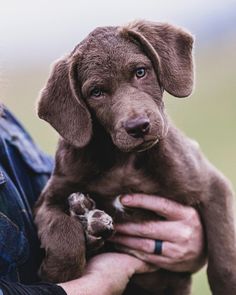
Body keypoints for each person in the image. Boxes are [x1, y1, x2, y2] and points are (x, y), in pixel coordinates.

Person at [0, 104, 205, 295]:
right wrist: (97, 283)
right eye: (97, 92)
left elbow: (55, 193)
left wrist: (186, 242)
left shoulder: (5, 120)